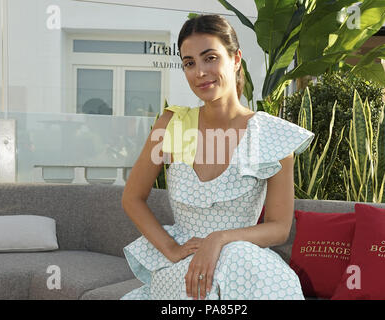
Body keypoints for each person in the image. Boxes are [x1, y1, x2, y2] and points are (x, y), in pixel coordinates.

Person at [120, 14, 315, 300]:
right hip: (184, 268)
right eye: (189, 63)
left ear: (236, 59)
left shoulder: (271, 134)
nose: (199, 71)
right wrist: (170, 248)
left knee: (239, 261)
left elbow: (279, 228)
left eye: (210, 58)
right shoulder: (171, 125)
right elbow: (132, 198)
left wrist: (219, 239)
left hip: (243, 261)